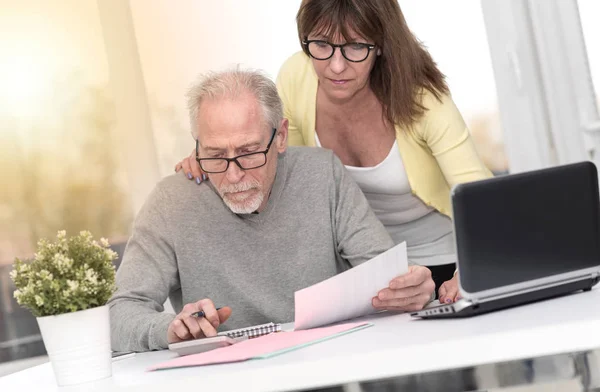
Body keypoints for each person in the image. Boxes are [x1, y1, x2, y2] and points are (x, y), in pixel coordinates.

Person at [175, 0, 493, 305]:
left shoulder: (422, 100)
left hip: (442, 262)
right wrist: (215, 155)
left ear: (380, 44)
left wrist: (470, 272)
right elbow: (286, 172)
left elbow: (481, 200)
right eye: (322, 45)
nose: (336, 66)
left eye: (356, 46)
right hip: (356, 268)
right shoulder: (296, 76)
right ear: (305, 40)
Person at [109, 68, 435, 352]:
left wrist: (412, 289)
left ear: (280, 137)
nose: (233, 175)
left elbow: (386, 277)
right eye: (215, 155)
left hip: (330, 371)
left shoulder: (322, 174)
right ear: (197, 145)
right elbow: (119, 312)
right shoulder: (172, 201)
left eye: (249, 152)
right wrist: (169, 330)